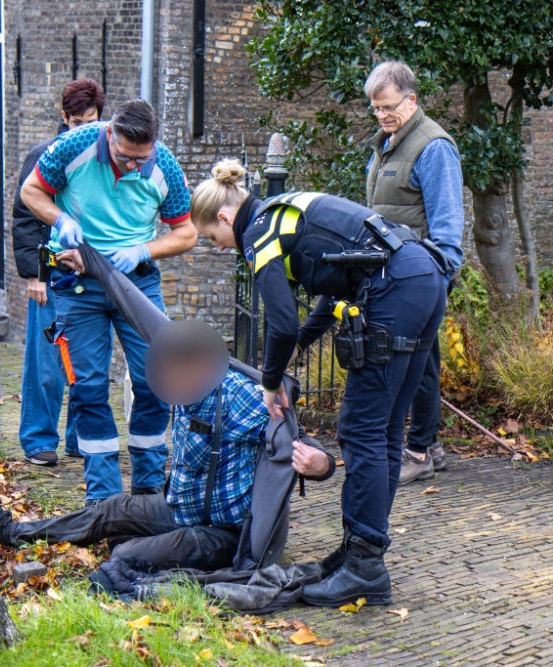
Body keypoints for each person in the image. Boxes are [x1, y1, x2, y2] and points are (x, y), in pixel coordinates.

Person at [189, 160, 448, 607]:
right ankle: (361, 552)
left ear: (226, 218)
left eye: (214, 238)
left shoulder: (258, 234)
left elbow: (281, 323)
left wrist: (271, 382)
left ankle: (365, 568)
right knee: (384, 430)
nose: (219, 247)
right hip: (423, 275)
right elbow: (335, 277)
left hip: (396, 286)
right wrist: (304, 341)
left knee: (360, 429)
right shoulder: (283, 211)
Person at [0, 341, 335, 571]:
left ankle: (137, 547)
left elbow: (293, 434)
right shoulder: (180, 390)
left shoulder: (235, 397)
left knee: (122, 556)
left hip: (220, 533)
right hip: (179, 509)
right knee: (108, 510)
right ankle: (11, 531)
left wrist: (321, 465)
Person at [20, 99, 197, 504]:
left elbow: (185, 233)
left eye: (141, 159)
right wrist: (60, 220)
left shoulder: (164, 166)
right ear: (109, 135)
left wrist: (142, 250)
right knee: (89, 388)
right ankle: (102, 500)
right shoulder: (73, 147)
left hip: (136, 284)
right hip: (78, 284)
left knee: (157, 379)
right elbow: (31, 191)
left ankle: (150, 489)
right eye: (124, 157)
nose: (133, 167)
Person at [363, 62, 465, 485]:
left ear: (412, 100)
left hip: (419, 275)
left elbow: (447, 224)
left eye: (388, 107)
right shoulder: (387, 143)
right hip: (393, 273)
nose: (382, 115)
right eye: (375, 108)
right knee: (421, 360)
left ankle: (419, 452)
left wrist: (437, 278)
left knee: (417, 363)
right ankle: (430, 445)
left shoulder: (433, 147)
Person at [11, 79, 105, 466]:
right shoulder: (43, 156)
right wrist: (34, 275)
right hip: (51, 274)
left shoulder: (105, 157)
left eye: (92, 120)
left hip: (89, 275)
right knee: (46, 363)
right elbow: (24, 217)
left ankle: (79, 437)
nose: (83, 129)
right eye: (77, 121)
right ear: (63, 117)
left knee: (84, 363)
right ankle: (37, 439)